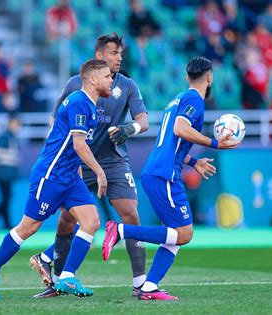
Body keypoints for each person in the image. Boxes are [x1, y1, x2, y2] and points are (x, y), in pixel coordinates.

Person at [102, 56, 239, 301]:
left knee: (175, 235)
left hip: (159, 171)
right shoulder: (194, 99)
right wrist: (215, 143)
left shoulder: (176, 99)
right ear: (209, 77)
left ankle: (149, 287)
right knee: (184, 234)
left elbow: (171, 142)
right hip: (164, 175)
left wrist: (195, 162)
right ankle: (121, 230)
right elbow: (180, 129)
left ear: (187, 77)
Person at [0, 59, 112, 301]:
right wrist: (100, 172)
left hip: (70, 177)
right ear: (93, 79)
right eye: (108, 76)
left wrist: (79, 175)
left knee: (91, 221)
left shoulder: (91, 106)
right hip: (50, 176)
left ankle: (67, 276)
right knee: (28, 228)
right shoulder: (79, 102)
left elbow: (72, 147)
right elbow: (78, 144)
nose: (112, 80)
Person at [30, 33, 149, 299]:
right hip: (78, 162)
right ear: (99, 57)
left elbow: (145, 119)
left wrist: (131, 127)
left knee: (130, 215)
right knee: (67, 221)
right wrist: (61, 158)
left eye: (120, 53)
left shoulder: (128, 85)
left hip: (114, 160)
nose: (119, 57)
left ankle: (141, 284)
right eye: (113, 53)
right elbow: (54, 121)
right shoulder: (76, 84)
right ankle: (58, 279)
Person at [0, 114, 21, 229]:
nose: (17, 126)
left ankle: (5, 222)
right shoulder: (5, 137)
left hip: (8, 173)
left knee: (7, 197)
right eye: (15, 123)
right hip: (2, 173)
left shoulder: (12, 137)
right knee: (7, 197)